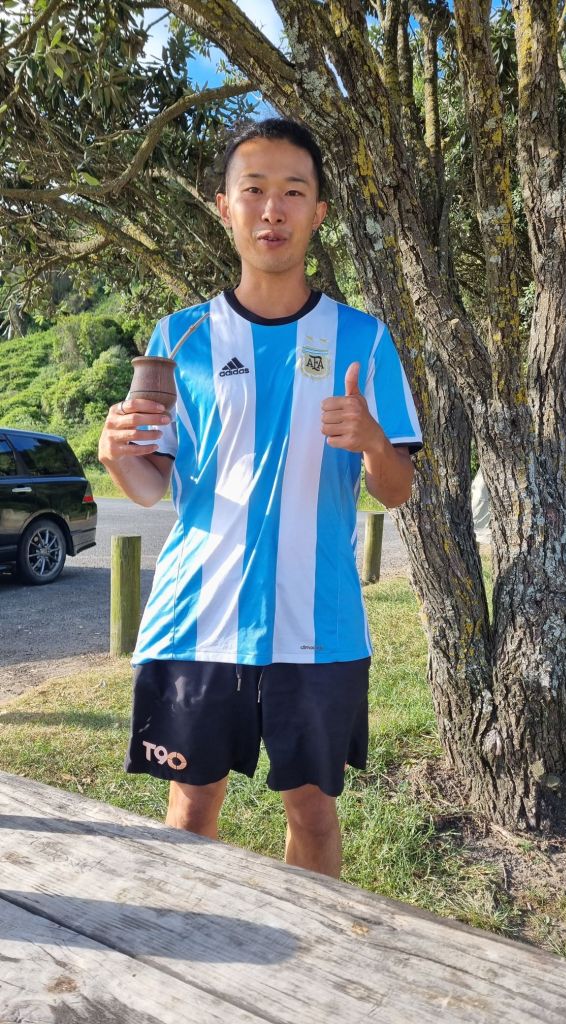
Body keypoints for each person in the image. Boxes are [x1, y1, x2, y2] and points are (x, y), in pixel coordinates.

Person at [98, 118, 422, 878]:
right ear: (225, 206)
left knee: (313, 813)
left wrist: (375, 443)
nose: (272, 209)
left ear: (319, 212)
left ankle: (307, 956)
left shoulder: (364, 339)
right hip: (196, 621)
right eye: (254, 190)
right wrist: (116, 456)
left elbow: (398, 490)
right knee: (190, 812)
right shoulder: (180, 337)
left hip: (319, 628)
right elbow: (150, 487)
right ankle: (193, 951)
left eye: (293, 192)